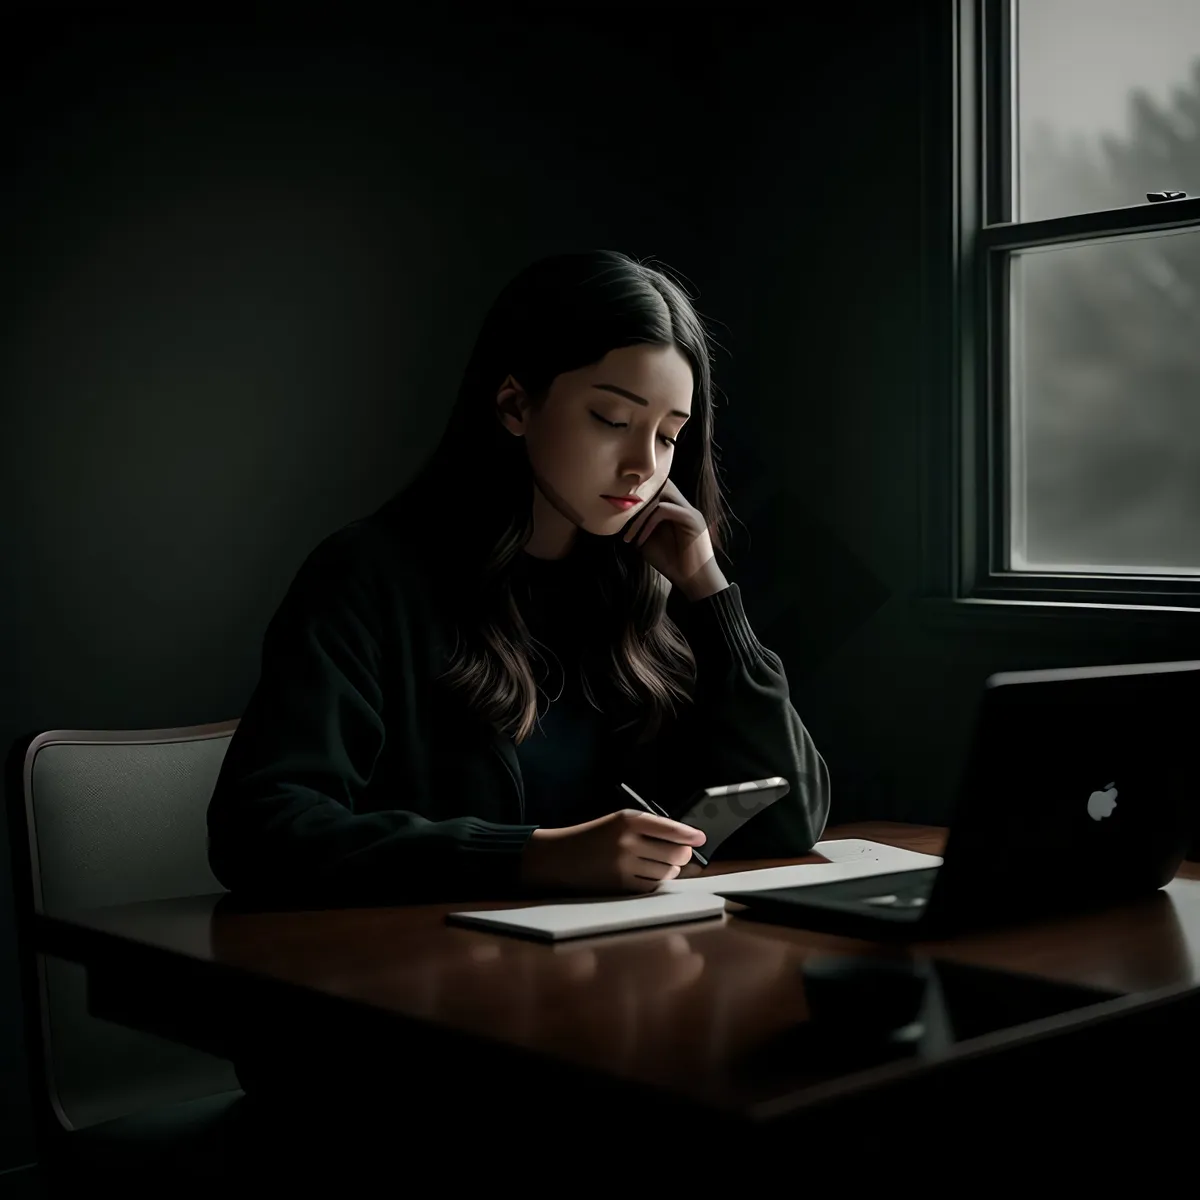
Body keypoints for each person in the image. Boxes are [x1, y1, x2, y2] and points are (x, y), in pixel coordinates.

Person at [204, 250, 833, 1169]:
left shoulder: (636, 588)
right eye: (611, 418)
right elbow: (262, 828)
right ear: (512, 405)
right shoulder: (370, 578)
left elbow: (790, 814)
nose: (641, 465)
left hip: (594, 1022)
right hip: (398, 1050)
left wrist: (708, 593)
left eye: (668, 435)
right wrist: (535, 857)